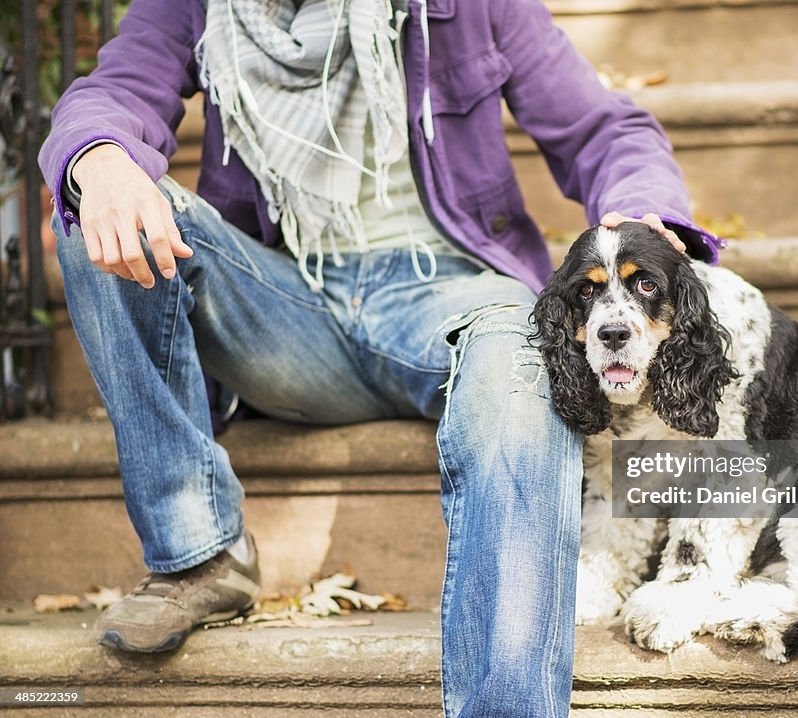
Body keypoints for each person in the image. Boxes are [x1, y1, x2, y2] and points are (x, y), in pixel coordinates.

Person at [39, 1, 722, 715]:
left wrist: (644, 210)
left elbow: (603, 127)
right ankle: (197, 553)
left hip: (448, 296)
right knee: (95, 203)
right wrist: (100, 157)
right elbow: (108, 92)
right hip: (283, 306)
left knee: (520, 362)